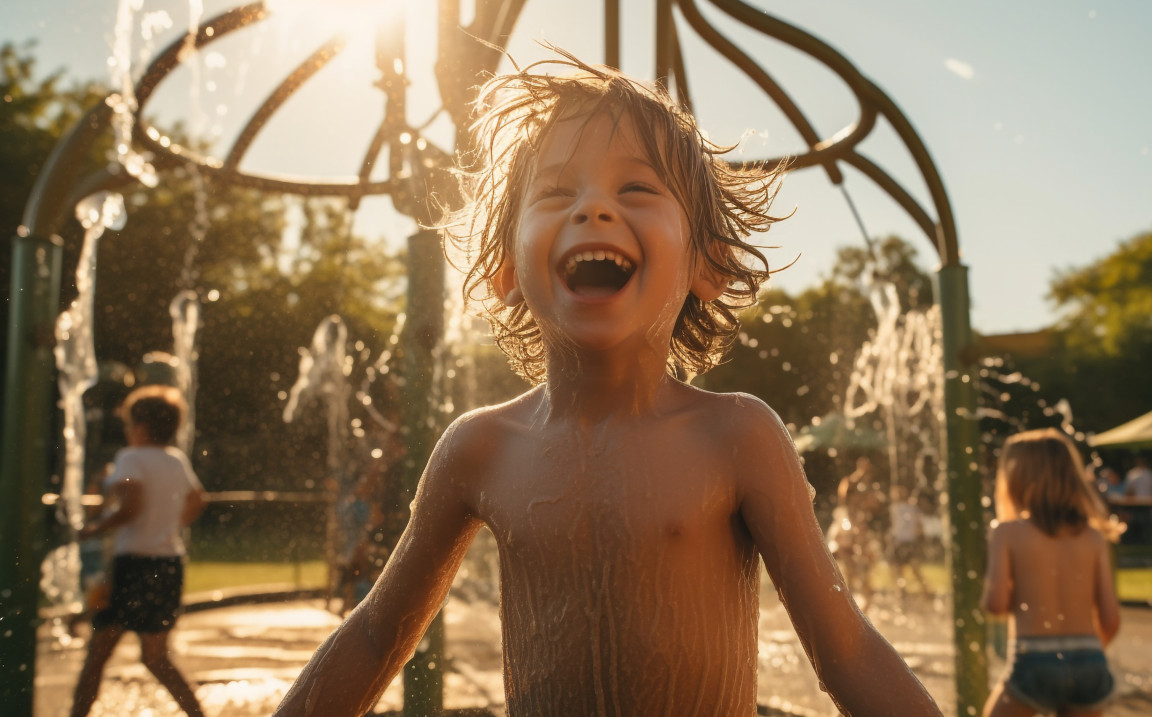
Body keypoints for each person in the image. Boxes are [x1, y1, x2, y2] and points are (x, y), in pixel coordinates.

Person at [275, 53, 941, 716]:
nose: (594, 209)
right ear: (507, 265)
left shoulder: (735, 436)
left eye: (637, 191)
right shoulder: (481, 447)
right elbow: (373, 634)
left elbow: (844, 650)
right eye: (558, 193)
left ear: (708, 261)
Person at [71, 385, 207, 717]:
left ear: (141, 429)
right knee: (156, 657)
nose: (128, 432)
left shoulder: (130, 457)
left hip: (134, 564)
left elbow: (131, 506)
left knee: (99, 654)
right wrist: (170, 524)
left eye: (129, 426)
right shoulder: (176, 459)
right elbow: (197, 499)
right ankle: (198, 715)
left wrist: (94, 527)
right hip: (168, 563)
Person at [981, 429, 1121, 717]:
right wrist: (1086, 656)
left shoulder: (1007, 533)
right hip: (1089, 659)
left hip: (1034, 658)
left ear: (1014, 478)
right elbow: (1111, 618)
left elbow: (995, 604)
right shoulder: (1093, 538)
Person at [827, 457, 884, 609]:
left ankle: (864, 607)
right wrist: (859, 475)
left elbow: (877, 504)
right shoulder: (850, 486)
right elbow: (844, 493)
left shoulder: (868, 490)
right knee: (849, 573)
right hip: (847, 535)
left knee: (865, 573)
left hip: (861, 536)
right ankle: (849, 606)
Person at [886, 484, 933, 600]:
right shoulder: (895, 508)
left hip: (910, 542)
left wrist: (920, 536)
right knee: (897, 570)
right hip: (899, 542)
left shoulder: (911, 508)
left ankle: (925, 592)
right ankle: (901, 593)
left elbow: (918, 525)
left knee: (915, 570)